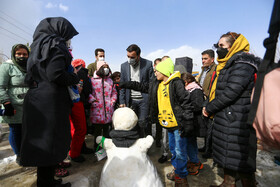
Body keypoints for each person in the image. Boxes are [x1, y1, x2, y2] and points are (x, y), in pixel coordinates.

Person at [20, 17, 79, 187]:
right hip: (50, 103)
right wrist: (73, 78)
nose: (68, 39)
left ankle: (46, 181)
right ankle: (47, 184)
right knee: (50, 142)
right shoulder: (54, 43)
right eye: (68, 35)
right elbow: (56, 74)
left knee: (45, 144)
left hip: (38, 99)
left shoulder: (37, 45)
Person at [203, 32, 260, 187]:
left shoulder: (243, 64)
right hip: (228, 116)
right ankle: (228, 183)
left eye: (222, 46)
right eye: (218, 45)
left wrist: (210, 108)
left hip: (238, 118)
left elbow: (231, 92)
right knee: (228, 154)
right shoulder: (229, 63)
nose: (219, 49)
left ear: (233, 46)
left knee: (242, 160)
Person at [152, 58, 193, 186]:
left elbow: (186, 102)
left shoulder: (176, 83)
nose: (155, 73)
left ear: (164, 71)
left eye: (157, 71)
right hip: (168, 124)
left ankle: (182, 177)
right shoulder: (159, 84)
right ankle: (177, 170)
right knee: (173, 149)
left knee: (180, 151)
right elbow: (143, 86)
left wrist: (187, 122)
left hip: (178, 124)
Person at [0, 44, 29, 164]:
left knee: (27, 131)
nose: (22, 56)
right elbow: (1, 87)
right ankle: (19, 155)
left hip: (30, 104)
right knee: (16, 130)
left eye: (24, 54)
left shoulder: (30, 67)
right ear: (14, 54)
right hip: (14, 104)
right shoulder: (7, 66)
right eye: (19, 54)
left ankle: (27, 152)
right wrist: (7, 104)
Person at [119, 44, 153, 138]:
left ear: (138, 55)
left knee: (143, 123)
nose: (130, 59)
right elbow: (122, 85)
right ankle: (135, 144)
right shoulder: (124, 66)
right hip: (130, 100)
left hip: (144, 100)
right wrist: (122, 101)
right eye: (128, 57)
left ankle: (145, 144)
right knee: (131, 124)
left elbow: (151, 84)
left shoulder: (148, 64)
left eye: (132, 57)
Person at [89, 61, 117, 151]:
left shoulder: (110, 80)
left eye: (107, 67)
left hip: (108, 110)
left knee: (107, 132)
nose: (106, 69)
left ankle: (106, 149)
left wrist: (112, 102)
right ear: (99, 68)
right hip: (97, 110)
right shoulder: (92, 80)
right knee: (97, 132)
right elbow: (88, 93)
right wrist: (93, 101)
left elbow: (114, 92)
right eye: (104, 67)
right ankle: (98, 149)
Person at [69, 59, 93, 163]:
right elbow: (84, 89)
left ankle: (80, 148)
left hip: (69, 101)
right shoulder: (81, 72)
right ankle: (75, 154)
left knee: (74, 129)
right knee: (80, 129)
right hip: (76, 102)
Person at [181, 72, 204, 175]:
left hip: (193, 121)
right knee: (191, 142)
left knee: (190, 143)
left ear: (186, 82)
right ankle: (195, 161)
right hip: (189, 120)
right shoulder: (190, 89)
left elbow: (198, 106)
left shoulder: (195, 90)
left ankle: (195, 163)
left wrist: (185, 108)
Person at [196, 49, 217, 158]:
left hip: (210, 101)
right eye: (202, 59)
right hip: (202, 100)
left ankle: (210, 151)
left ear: (212, 59)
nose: (203, 61)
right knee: (205, 127)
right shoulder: (203, 70)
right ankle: (206, 146)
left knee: (210, 128)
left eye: (205, 58)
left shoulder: (216, 70)